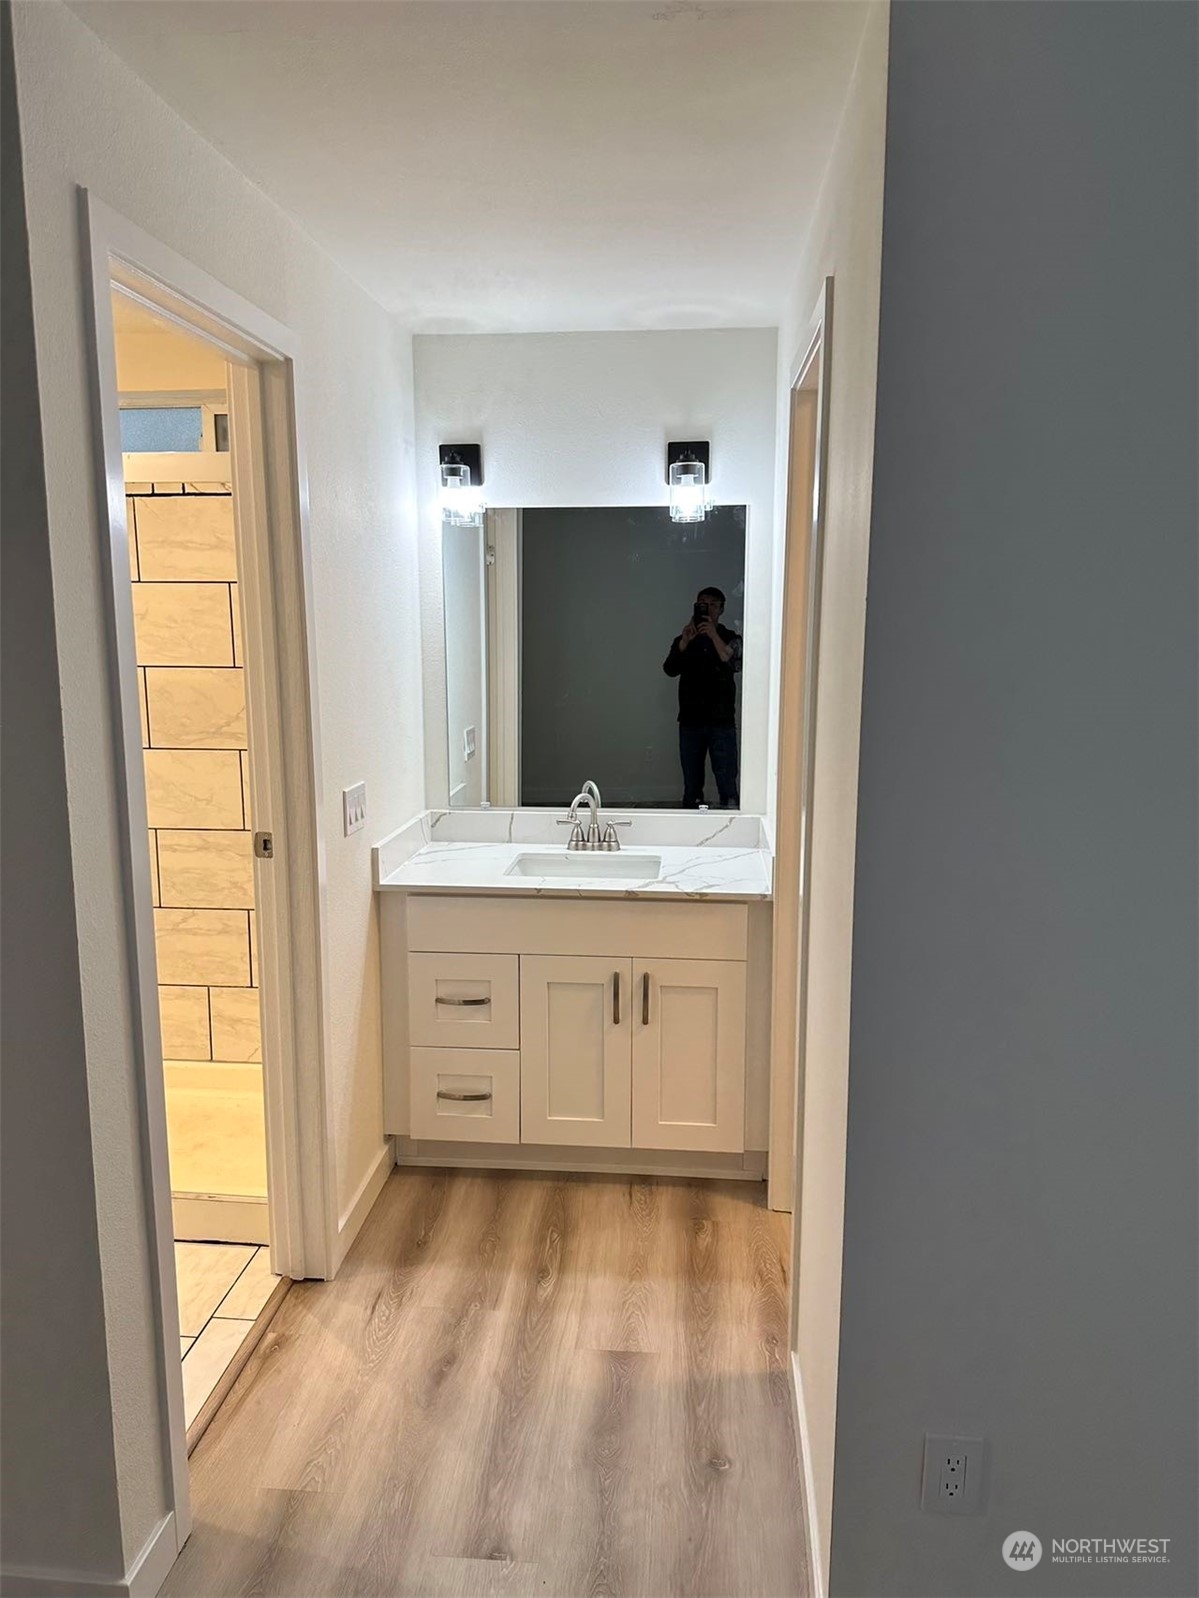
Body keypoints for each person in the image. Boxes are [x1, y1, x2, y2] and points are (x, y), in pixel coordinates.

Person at [662, 586, 742, 808]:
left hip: (722, 720)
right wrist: (685, 642)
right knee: (692, 784)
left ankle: (731, 823)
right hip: (690, 721)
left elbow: (735, 662)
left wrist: (713, 634)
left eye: (713, 604)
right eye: (702, 604)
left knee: (727, 782)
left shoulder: (730, 637)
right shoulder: (685, 638)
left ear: (721, 609)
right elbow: (669, 669)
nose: (708, 609)